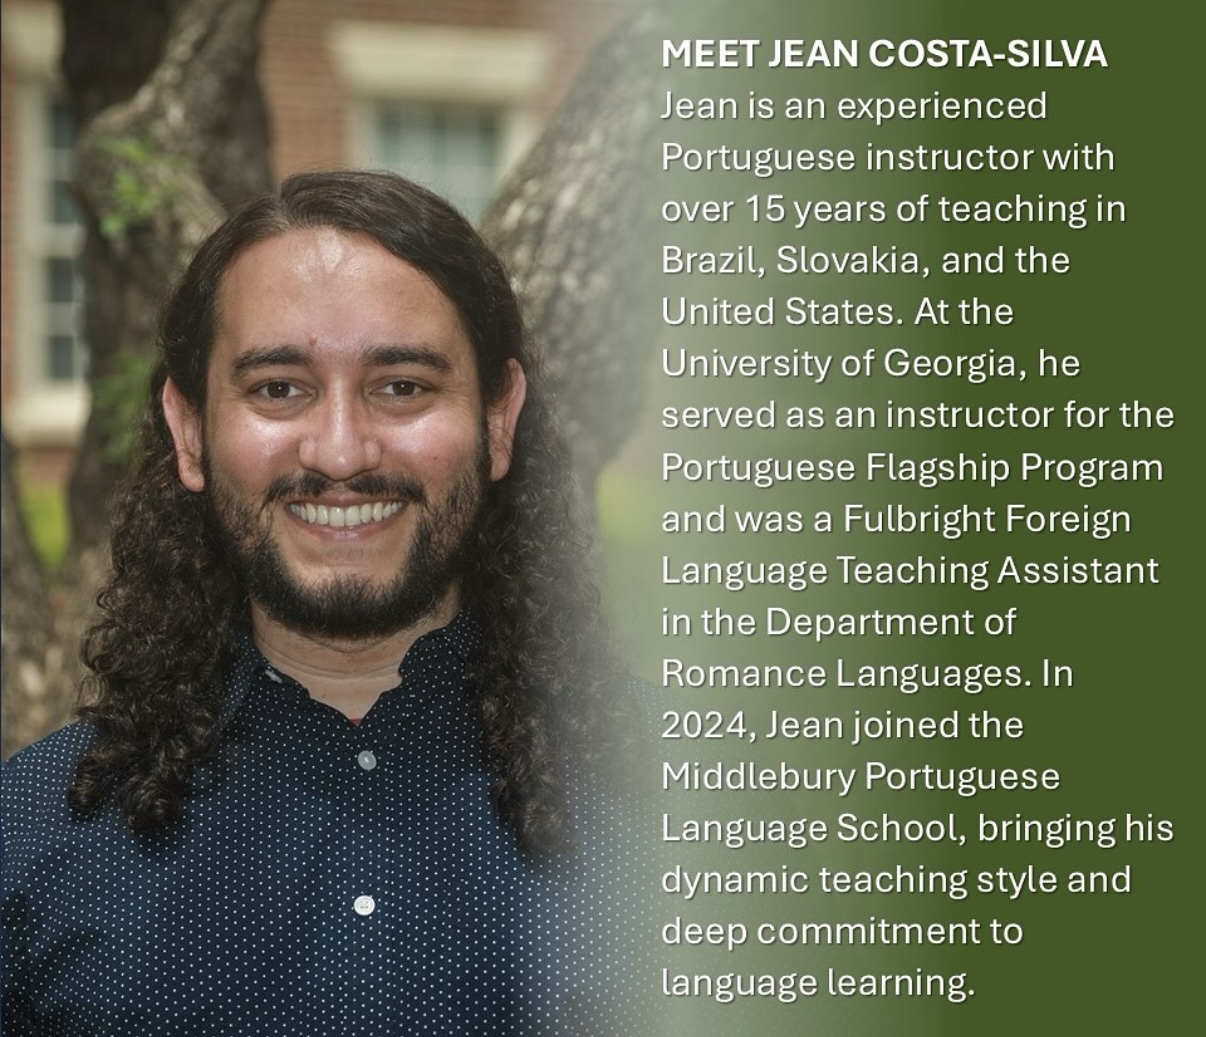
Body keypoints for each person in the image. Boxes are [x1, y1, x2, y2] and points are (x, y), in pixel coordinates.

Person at [2, 170, 649, 1035]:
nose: (342, 450)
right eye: (278, 388)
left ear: (499, 420)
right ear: (190, 429)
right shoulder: (32, 832)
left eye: (403, 386)